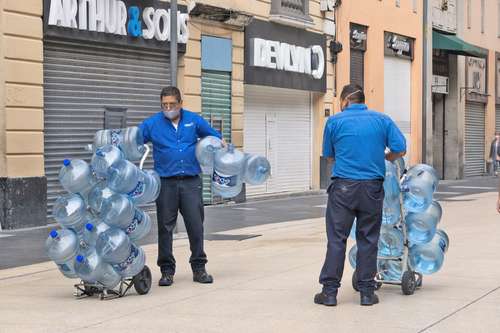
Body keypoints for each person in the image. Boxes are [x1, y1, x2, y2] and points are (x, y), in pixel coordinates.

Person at [315, 84, 406, 306]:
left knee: (337, 240)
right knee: (368, 239)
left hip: (343, 188)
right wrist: (387, 157)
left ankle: (329, 293)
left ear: (345, 100)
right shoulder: (382, 120)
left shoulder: (334, 121)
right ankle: (367, 293)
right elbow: (401, 149)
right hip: (372, 189)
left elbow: (328, 156)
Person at [139, 86, 223, 286]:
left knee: (196, 226)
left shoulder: (194, 120)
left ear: (180, 104)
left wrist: (221, 143)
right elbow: (133, 140)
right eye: (164, 105)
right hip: (165, 183)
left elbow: (213, 136)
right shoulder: (152, 124)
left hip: (191, 182)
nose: (168, 108)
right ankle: (167, 271)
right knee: (165, 228)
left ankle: (199, 268)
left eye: (172, 104)